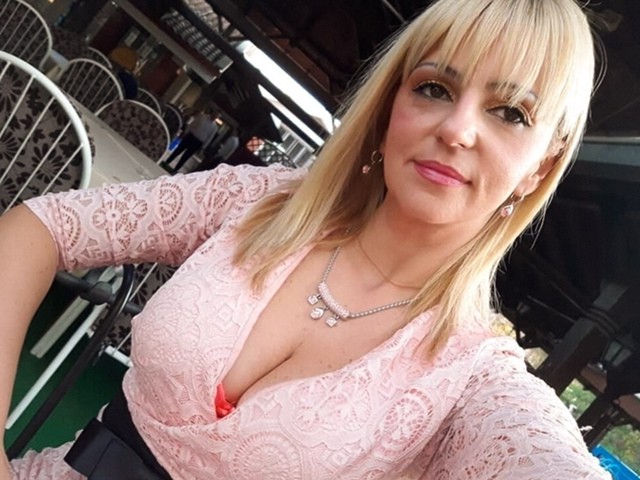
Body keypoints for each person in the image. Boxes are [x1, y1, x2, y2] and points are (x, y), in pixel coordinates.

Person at [0, 0, 612, 478]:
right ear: (389, 108)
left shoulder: (472, 376)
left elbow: (539, 457)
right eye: (435, 88)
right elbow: (40, 228)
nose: (456, 129)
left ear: (540, 166)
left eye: (510, 113)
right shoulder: (264, 201)